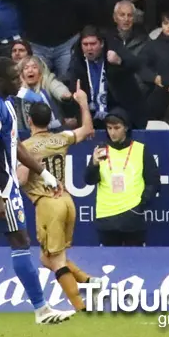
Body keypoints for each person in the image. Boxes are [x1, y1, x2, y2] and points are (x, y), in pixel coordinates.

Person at [0, 57, 73, 326]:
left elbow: (14, 145)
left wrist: (44, 174)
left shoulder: (2, 102)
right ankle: (42, 309)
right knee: (20, 241)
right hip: (2, 186)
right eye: (14, 76)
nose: (19, 79)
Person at [19, 84, 105, 312]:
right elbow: (87, 129)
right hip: (67, 201)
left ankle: (81, 308)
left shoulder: (25, 148)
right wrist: (83, 103)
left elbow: (21, 179)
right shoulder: (61, 138)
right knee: (47, 258)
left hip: (48, 204)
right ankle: (89, 281)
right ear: (50, 120)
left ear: (29, 121)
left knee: (54, 260)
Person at [84, 108, 160, 246]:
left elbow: (153, 182)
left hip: (132, 217)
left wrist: (140, 205)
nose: (112, 132)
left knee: (135, 263)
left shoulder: (140, 149)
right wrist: (93, 165)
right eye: (109, 128)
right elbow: (89, 181)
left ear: (126, 128)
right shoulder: (101, 150)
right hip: (106, 217)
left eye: (117, 128)